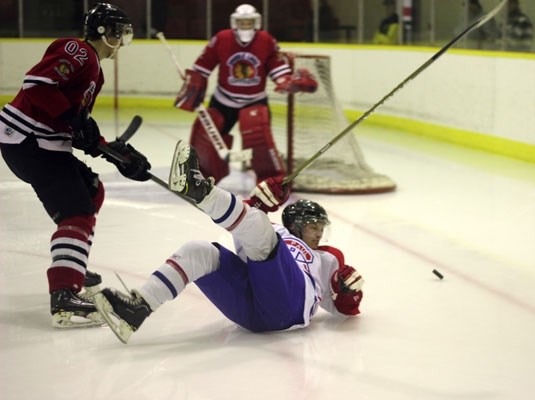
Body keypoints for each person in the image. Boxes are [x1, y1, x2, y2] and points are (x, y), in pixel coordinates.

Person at [93, 141, 365, 344]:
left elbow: (342, 307)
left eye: (321, 228)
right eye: (312, 227)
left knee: (259, 227)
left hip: (291, 307)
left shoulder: (328, 258)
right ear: (294, 226)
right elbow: (245, 228)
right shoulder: (275, 232)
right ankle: (139, 309)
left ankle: (199, 190)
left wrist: (349, 290)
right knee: (198, 251)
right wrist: (257, 203)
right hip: (252, 313)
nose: (318, 234)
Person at [0, 3, 151, 329]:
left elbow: (75, 126)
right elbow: (37, 86)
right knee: (77, 210)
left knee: (91, 191)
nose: (122, 41)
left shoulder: (95, 70)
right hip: (28, 140)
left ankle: (73, 265)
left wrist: (114, 153)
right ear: (104, 32)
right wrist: (75, 121)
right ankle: (64, 296)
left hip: (40, 143)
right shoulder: (79, 51)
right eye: (120, 33)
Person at [174, 4, 318, 186]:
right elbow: (203, 66)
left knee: (261, 145)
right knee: (208, 142)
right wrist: (194, 84)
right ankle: (203, 177)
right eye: (241, 22)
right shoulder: (222, 38)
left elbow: (276, 67)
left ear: (256, 22)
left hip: (255, 102)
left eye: (248, 22)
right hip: (223, 101)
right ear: (234, 22)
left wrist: (286, 82)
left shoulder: (266, 40)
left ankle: (270, 183)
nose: (245, 26)